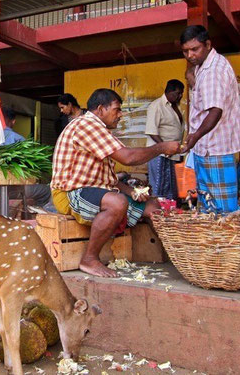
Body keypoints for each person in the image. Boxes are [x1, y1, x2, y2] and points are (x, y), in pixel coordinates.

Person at [51, 89, 180, 277]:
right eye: (117, 110)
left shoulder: (101, 131)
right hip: (69, 193)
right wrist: (161, 147)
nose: (120, 115)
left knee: (153, 206)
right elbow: (127, 157)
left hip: (93, 191)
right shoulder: (86, 125)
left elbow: (108, 181)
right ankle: (89, 259)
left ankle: (175, 256)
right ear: (101, 109)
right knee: (117, 202)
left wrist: (132, 191)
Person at [180, 25, 240, 213]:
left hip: (214, 148)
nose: (190, 55)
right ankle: (213, 240)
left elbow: (215, 111)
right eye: (185, 51)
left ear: (208, 45)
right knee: (208, 203)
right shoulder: (205, 66)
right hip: (208, 148)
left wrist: (195, 136)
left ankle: (227, 241)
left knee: (222, 209)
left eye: (195, 49)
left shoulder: (213, 71)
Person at [1, 106, 51, 210]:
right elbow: (29, 168)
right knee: (47, 191)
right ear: (13, 121)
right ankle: (38, 217)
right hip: (17, 190)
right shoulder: (18, 139)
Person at [145, 79, 185, 199]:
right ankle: (156, 214)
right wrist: (164, 148)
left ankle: (170, 212)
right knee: (159, 187)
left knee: (172, 188)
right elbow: (152, 131)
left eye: (181, 93)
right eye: (177, 93)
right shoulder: (156, 106)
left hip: (173, 153)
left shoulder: (175, 107)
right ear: (169, 92)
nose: (180, 96)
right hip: (160, 153)